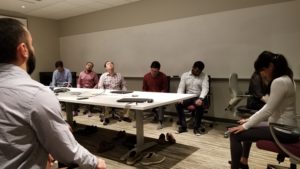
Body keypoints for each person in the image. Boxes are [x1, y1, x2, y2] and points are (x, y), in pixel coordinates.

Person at [0, 18, 106, 169]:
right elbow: (67, 151)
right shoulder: (36, 95)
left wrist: (40, 148)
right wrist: (95, 162)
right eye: (32, 44)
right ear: (23, 50)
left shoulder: (50, 85)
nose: (33, 49)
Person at [228, 51, 300, 169]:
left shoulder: (279, 82)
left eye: (262, 70)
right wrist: (249, 121)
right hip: (287, 128)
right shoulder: (289, 79)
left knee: (234, 135)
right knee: (248, 125)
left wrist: (246, 125)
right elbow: (271, 108)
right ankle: (243, 162)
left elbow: (268, 110)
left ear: (270, 66)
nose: (262, 74)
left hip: (282, 130)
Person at [176, 61, 209, 136]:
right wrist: (179, 98)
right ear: (193, 68)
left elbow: (205, 88)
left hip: (198, 96)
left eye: (199, 72)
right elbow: (181, 88)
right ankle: (183, 127)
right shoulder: (185, 75)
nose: (198, 73)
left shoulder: (204, 76)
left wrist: (201, 98)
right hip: (188, 96)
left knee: (200, 106)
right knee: (178, 104)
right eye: (196, 71)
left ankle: (196, 128)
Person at [143, 61, 168, 129]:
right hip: (149, 97)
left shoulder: (163, 76)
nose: (153, 73)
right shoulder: (146, 76)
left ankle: (160, 122)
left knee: (160, 104)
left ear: (158, 70)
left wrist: (159, 95)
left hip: (159, 97)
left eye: (155, 71)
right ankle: (138, 121)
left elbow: (165, 89)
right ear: (150, 69)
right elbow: (144, 90)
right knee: (137, 102)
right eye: (152, 70)